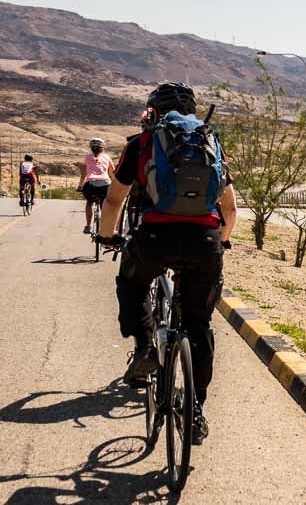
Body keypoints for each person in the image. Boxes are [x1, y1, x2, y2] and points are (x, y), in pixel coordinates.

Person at [96, 82, 238, 445]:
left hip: (155, 238)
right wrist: (222, 241)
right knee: (198, 324)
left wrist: (107, 236)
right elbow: (230, 209)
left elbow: (113, 202)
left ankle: (144, 347)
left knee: (132, 281)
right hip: (204, 243)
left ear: (153, 111)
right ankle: (195, 412)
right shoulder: (210, 142)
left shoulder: (141, 144)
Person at [77, 138, 116, 234]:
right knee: (105, 206)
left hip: (90, 185)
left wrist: (80, 186)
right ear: (102, 147)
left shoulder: (87, 157)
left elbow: (84, 174)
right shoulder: (107, 157)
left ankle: (88, 226)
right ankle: (106, 228)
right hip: (105, 184)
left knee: (89, 203)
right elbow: (113, 173)